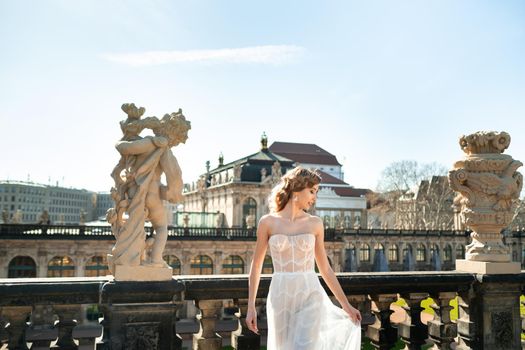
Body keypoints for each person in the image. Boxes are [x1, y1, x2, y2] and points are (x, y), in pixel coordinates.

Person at [246, 167, 361, 349]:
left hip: (310, 293)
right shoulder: (267, 223)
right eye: (312, 191)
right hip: (280, 294)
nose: (314, 197)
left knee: (304, 346)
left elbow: (325, 269)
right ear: (296, 189)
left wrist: (346, 305)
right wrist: (251, 306)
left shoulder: (315, 223)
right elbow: (256, 265)